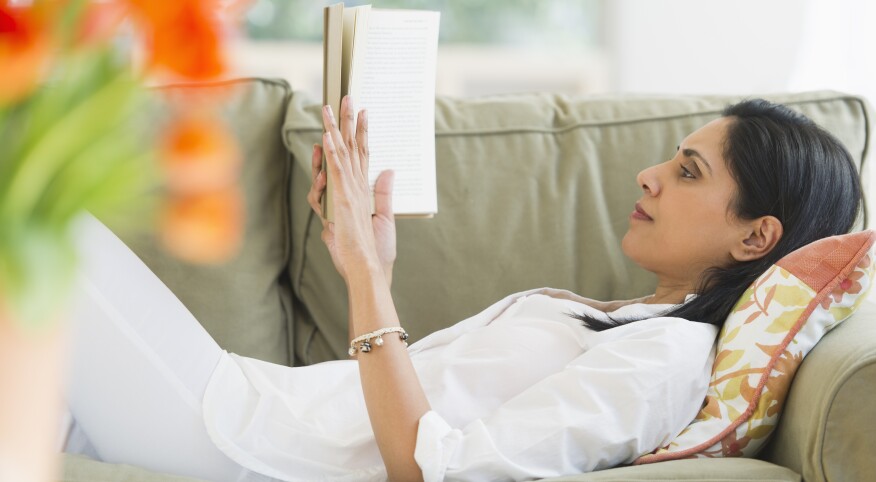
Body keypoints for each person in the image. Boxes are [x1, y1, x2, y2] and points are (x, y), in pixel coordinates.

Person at [63, 97, 862, 482]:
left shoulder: (668, 359)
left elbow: (436, 472)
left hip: (245, 445)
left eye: (688, 172)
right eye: (670, 157)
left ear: (756, 236)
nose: (651, 174)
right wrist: (370, 256)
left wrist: (365, 276)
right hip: (257, 405)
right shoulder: (629, 318)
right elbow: (433, 396)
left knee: (37, 232)